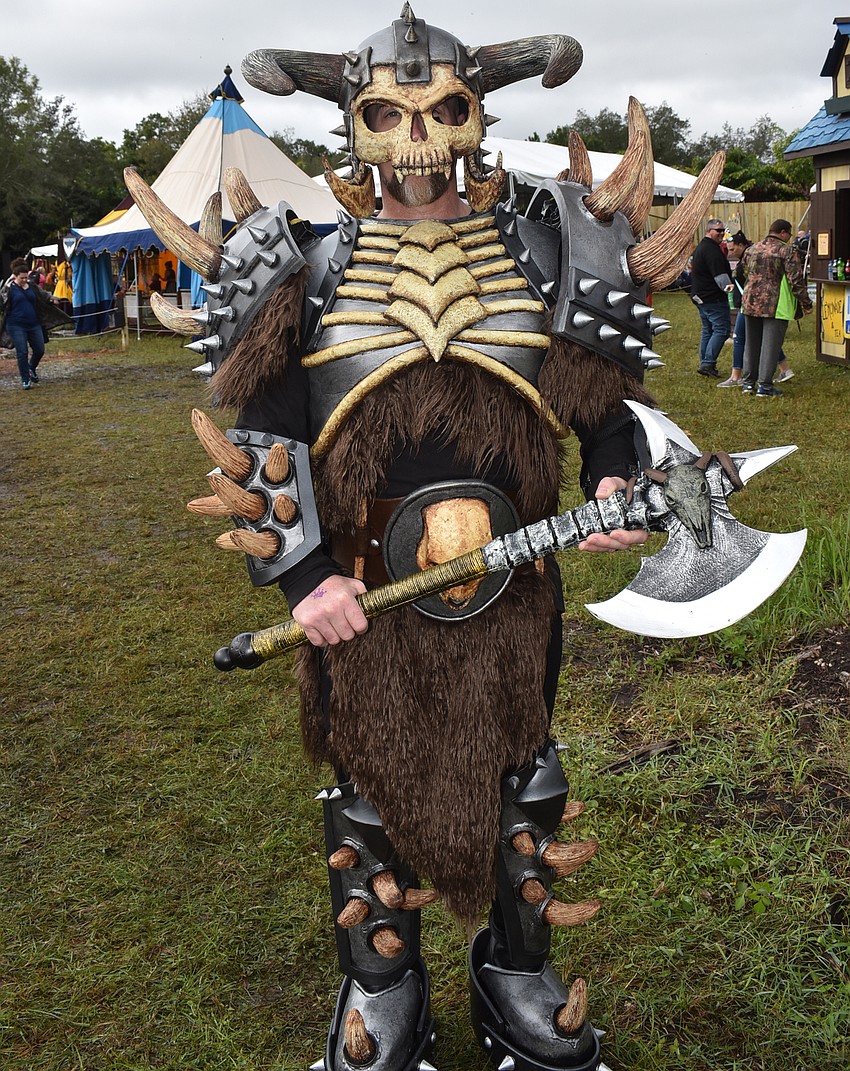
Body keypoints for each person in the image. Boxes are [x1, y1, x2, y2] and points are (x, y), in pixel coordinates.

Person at [132, 8, 724, 1069]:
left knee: (518, 770)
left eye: (442, 110)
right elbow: (263, 434)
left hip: (515, 584)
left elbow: (605, 408)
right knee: (366, 775)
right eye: (384, 115)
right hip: (361, 588)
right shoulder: (300, 265)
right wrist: (304, 576)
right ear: (353, 127)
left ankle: (516, 971)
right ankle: (382, 983)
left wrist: (612, 477)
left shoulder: (548, 245)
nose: (415, 142)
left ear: (476, 118)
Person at [740, 219, 813, 397]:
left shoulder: (751, 249)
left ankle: (748, 383)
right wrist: (806, 303)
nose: (789, 238)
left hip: (750, 302)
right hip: (775, 304)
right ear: (782, 232)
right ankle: (764, 386)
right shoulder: (786, 251)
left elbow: (743, 271)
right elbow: (795, 280)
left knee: (751, 343)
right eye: (788, 234)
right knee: (770, 346)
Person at [719, 231, 793, 388]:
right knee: (765, 340)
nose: (731, 253)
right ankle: (781, 370)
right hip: (756, 304)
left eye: (733, 250)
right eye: (729, 250)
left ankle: (741, 378)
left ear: (742, 245)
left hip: (753, 304)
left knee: (744, 339)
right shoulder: (753, 254)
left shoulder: (752, 254)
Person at [690, 218, 733, 378]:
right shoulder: (711, 250)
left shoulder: (703, 247)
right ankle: (708, 363)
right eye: (718, 230)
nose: (721, 233)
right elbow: (720, 275)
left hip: (700, 296)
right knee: (721, 330)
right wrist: (730, 288)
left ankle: (705, 363)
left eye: (723, 230)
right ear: (709, 231)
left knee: (708, 329)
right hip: (712, 297)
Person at [0, 258, 46, 388]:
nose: (24, 280)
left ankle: (31, 368)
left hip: (34, 323)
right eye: (22, 278)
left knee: (40, 349)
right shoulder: (8, 288)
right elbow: (1, 303)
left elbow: (43, 295)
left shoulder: (32, 285)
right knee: (22, 352)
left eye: (26, 277)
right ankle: (25, 379)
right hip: (15, 325)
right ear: (15, 276)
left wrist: (53, 299)